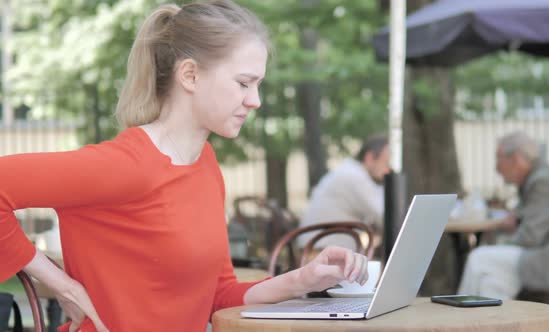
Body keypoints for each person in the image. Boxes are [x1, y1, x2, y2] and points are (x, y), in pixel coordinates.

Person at [0, 1, 369, 331]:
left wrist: (304, 279)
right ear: (190, 75)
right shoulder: (128, 165)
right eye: (243, 83)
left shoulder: (204, 162)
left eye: (258, 85)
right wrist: (64, 285)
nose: (255, 100)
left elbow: (219, 296)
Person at [458, 131, 549, 300]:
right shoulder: (539, 178)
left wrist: (504, 239)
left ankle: (460, 321)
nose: (497, 168)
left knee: (479, 258)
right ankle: (490, 324)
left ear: (516, 159)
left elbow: (529, 237)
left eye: (499, 159)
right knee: (492, 282)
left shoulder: (543, 181)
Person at [298, 135, 390, 250]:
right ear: (369, 158)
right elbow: (385, 215)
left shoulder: (349, 170)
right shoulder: (355, 177)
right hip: (321, 251)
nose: (388, 169)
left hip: (317, 247)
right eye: (386, 162)